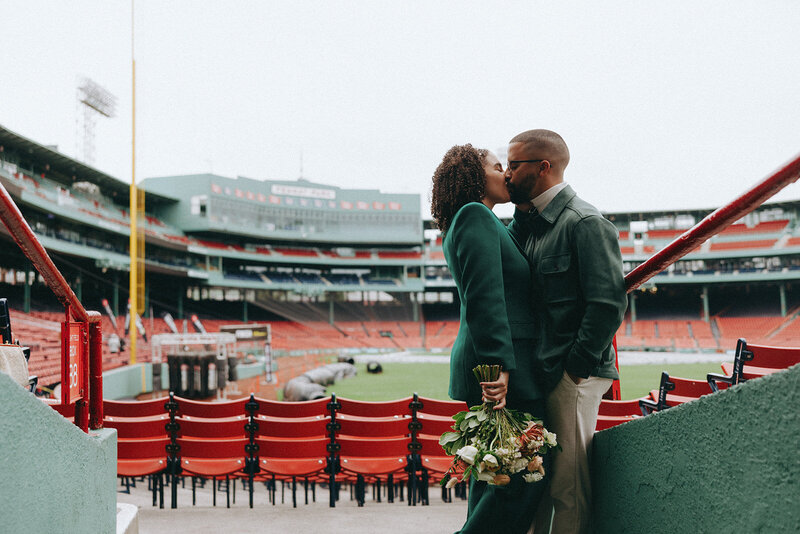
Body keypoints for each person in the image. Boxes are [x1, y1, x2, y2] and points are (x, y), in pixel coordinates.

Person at [505, 129, 627, 534]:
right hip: (543, 372)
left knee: (567, 486)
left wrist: (575, 368)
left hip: (571, 375)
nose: (506, 173)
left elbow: (608, 304)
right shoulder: (530, 223)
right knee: (539, 481)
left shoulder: (585, 222)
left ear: (543, 167)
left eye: (514, 164)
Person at [431, 144, 548, 534]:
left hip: (497, 365)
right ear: (475, 177)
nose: (507, 174)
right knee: (519, 480)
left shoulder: (484, 221)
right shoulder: (474, 215)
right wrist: (499, 367)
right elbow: (486, 297)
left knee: (494, 477)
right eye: (499, 167)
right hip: (499, 370)